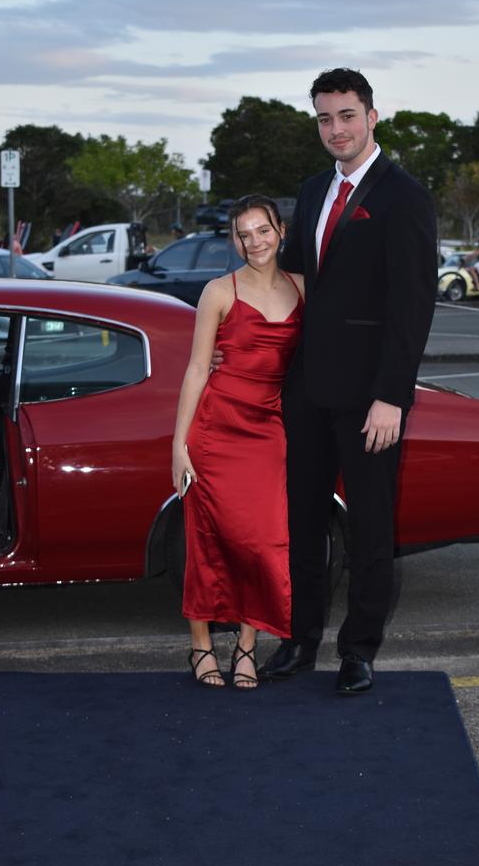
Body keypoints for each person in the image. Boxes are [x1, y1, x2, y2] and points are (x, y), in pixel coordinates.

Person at [259, 68, 438, 695]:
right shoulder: (311, 192)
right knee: (303, 520)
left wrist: (392, 395)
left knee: (369, 527)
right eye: (324, 118)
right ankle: (300, 639)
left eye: (346, 116)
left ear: (371, 116)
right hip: (307, 388)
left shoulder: (403, 196)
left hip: (371, 398)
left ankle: (359, 649)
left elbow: (413, 306)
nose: (335, 129)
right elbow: (300, 281)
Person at [172, 196, 304, 690]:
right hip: (215, 429)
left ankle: (247, 648)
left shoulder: (303, 289)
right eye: (244, 235)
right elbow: (196, 369)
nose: (255, 242)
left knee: (259, 545)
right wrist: (178, 445)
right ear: (234, 240)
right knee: (207, 541)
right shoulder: (218, 292)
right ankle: (201, 647)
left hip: (268, 432)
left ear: (281, 230)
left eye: (263, 231)